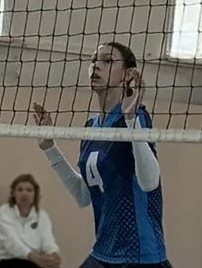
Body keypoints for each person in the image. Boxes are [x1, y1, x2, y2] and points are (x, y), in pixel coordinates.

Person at [31, 41, 169, 268]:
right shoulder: (91, 128)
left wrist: (131, 119)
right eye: (94, 60)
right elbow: (83, 195)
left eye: (108, 61)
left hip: (140, 256)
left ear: (128, 75)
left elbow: (150, 182)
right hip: (104, 251)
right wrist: (50, 148)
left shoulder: (135, 118)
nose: (96, 65)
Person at [0, 174, 60, 268]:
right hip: (7, 261)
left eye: (29, 190)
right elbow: (11, 243)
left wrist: (54, 253)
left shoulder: (42, 215)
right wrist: (33, 257)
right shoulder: (4, 212)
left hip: (34, 262)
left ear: (35, 194)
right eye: (20, 190)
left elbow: (48, 240)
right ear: (13, 193)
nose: (24, 193)